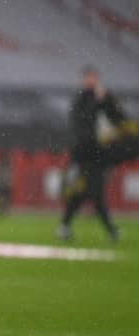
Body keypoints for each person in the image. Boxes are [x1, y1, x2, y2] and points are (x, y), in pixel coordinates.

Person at [57, 66, 126, 241]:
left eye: (93, 77)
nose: (90, 80)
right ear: (83, 79)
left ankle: (65, 226)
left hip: (97, 154)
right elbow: (82, 125)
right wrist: (99, 102)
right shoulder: (81, 99)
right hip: (83, 154)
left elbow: (118, 117)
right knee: (92, 192)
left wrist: (106, 101)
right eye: (88, 77)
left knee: (85, 193)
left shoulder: (104, 98)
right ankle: (110, 231)